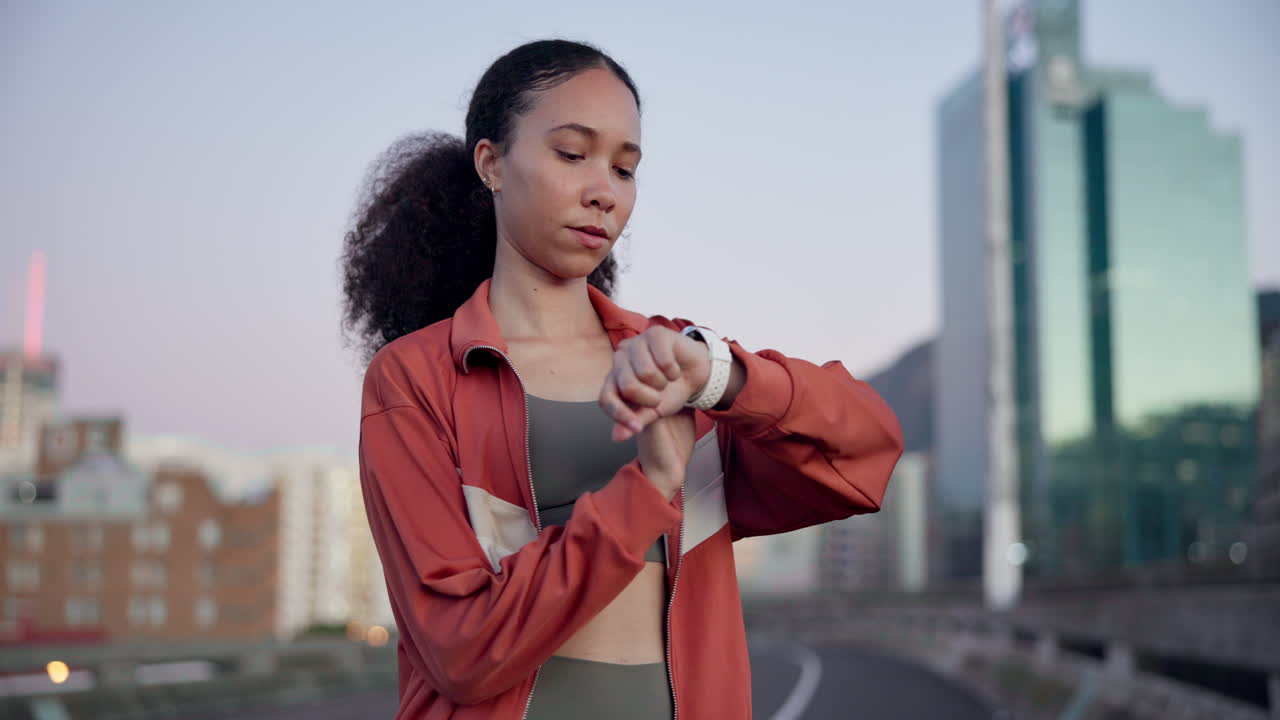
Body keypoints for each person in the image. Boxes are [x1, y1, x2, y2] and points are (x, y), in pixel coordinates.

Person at [341, 38, 904, 720]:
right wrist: (647, 490)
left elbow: (865, 454)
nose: (603, 191)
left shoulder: (676, 367)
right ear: (491, 163)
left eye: (625, 168)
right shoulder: (415, 381)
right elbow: (461, 648)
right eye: (572, 154)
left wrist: (722, 377)